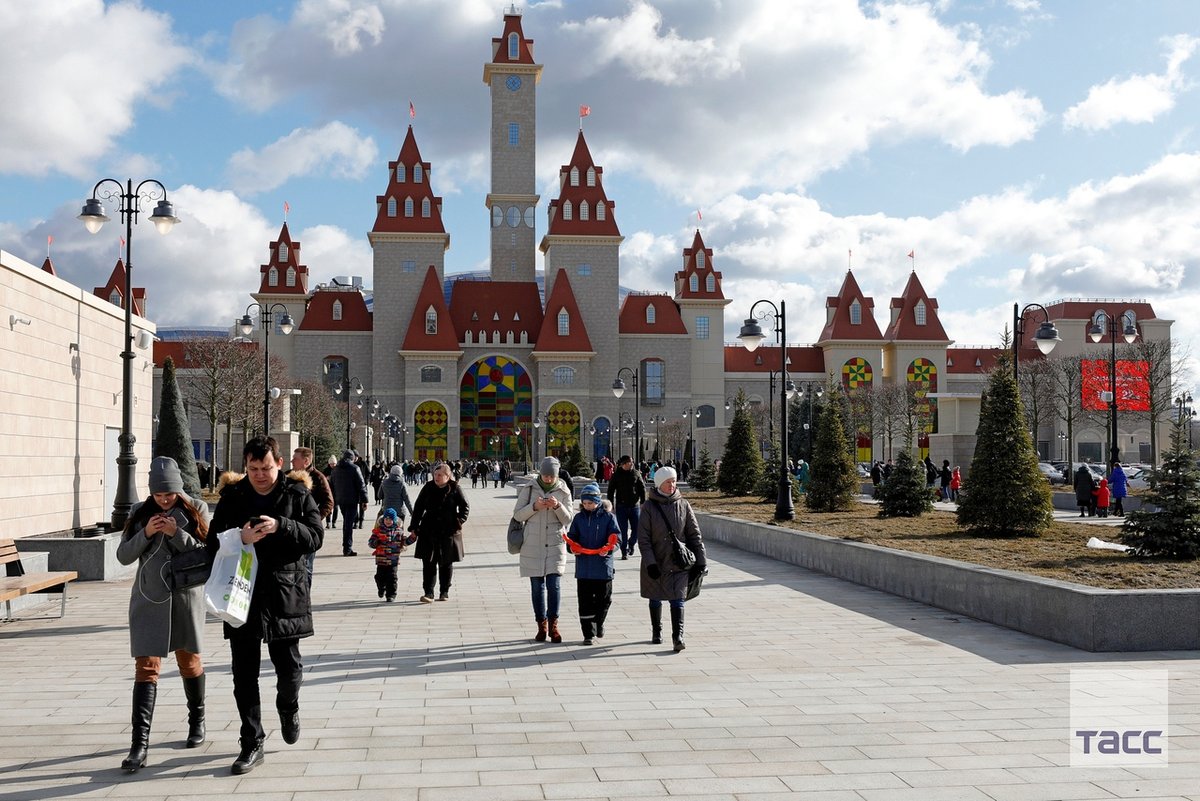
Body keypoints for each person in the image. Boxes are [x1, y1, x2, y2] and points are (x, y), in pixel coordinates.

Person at [207, 436, 323, 775]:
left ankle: (288, 706)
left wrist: (281, 525)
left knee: (289, 670)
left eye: (266, 468)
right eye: (253, 468)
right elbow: (212, 539)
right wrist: (240, 538)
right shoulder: (233, 496)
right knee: (244, 673)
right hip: (241, 593)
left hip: (285, 592)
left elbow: (315, 536)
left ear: (280, 462)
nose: (259, 475)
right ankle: (251, 740)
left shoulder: (297, 494)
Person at [115, 456, 212, 773]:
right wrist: (144, 533)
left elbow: (205, 553)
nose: (165, 499)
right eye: (159, 495)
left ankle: (197, 718)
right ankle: (139, 745)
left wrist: (176, 532)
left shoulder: (196, 508)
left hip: (185, 599)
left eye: (169, 494)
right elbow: (123, 555)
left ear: (178, 489)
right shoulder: (138, 512)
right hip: (148, 599)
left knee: (190, 662)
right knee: (146, 668)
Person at [638, 466, 706, 652]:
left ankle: (678, 636)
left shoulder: (683, 504)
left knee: (678, 599)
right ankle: (657, 629)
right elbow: (643, 540)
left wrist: (701, 560)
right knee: (655, 597)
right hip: (656, 562)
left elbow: (694, 534)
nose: (672, 485)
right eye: (668, 482)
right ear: (660, 484)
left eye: (674, 481)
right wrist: (651, 563)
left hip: (678, 562)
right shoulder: (649, 507)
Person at [512, 456, 573, 642]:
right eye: (545, 475)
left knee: (554, 585)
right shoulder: (529, 488)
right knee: (537, 587)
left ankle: (554, 625)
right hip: (533, 545)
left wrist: (557, 506)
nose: (548, 479)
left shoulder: (563, 490)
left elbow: (568, 518)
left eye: (551, 476)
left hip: (555, 543)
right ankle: (541, 625)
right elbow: (517, 514)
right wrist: (535, 506)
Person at [565, 483, 620, 645]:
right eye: (585, 503)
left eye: (591, 503)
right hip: (584, 568)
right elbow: (572, 536)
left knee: (605, 599)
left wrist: (609, 549)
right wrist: (572, 547)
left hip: (603, 567)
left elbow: (616, 538)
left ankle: (599, 622)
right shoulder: (579, 518)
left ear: (598, 501)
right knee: (585, 601)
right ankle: (588, 633)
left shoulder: (609, 518)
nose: (587, 506)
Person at [408, 462, 470, 602]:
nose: (436, 477)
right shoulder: (428, 488)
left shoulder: (455, 488)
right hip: (428, 529)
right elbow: (418, 508)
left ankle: (444, 591)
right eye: (435, 474)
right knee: (428, 561)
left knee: (446, 562)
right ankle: (428, 592)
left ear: (448, 476)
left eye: (440, 475)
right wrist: (414, 527)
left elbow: (465, 507)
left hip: (448, 530)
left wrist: (458, 521)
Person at [292, 447, 334, 588]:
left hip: (308, 530)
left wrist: (314, 519)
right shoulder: (290, 476)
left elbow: (329, 502)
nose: (292, 461)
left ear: (306, 461)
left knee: (306, 567)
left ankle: (304, 599)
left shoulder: (318, 477)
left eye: (295, 458)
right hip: (291, 528)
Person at [606, 455, 646, 560]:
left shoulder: (636, 473)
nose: (631, 464)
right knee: (622, 530)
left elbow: (642, 488)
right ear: (623, 464)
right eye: (629, 462)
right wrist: (611, 505)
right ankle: (624, 551)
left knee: (636, 529)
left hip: (635, 506)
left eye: (632, 462)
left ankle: (631, 544)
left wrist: (643, 502)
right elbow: (610, 490)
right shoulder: (616, 475)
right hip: (621, 506)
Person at [330, 449, 367, 555]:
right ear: (352, 458)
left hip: (340, 500)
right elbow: (361, 485)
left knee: (347, 523)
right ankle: (347, 548)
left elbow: (331, 485)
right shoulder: (355, 468)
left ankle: (346, 546)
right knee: (348, 524)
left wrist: (333, 499)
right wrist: (364, 500)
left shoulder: (335, 469)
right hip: (352, 500)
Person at [368, 507, 407, 602]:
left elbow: (405, 541)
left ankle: (391, 594)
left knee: (392, 577)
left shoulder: (398, 531)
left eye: (390, 519)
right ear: (383, 519)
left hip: (393, 559)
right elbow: (371, 542)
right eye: (386, 519)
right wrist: (375, 542)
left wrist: (413, 537)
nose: (388, 521)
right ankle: (381, 588)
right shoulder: (378, 531)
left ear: (394, 520)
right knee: (379, 576)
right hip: (381, 559)